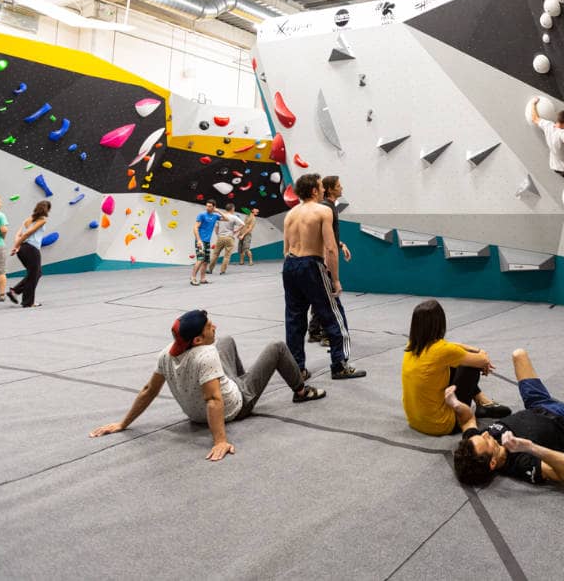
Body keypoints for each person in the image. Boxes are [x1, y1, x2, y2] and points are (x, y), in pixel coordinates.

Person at [89, 309, 325, 461]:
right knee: (277, 347)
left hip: (200, 410)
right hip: (236, 406)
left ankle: (244, 380)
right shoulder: (206, 355)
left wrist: (123, 423)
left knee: (227, 341)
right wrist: (220, 441)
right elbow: (213, 400)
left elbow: (149, 390)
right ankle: (302, 391)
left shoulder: (165, 355)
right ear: (198, 340)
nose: (215, 326)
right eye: (210, 326)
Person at [451, 348, 564, 487]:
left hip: (538, 405)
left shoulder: (473, 444)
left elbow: (467, 420)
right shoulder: (520, 463)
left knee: (519, 354)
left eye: (481, 435)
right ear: (493, 463)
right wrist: (530, 447)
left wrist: (455, 403)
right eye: (487, 441)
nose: (486, 434)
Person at [281, 173, 365, 380]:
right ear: (314, 191)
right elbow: (330, 248)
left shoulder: (290, 214)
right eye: (320, 187)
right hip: (311, 265)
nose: (323, 190)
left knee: (294, 320)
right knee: (334, 314)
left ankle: (297, 369)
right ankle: (340, 364)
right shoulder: (323, 211)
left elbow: (285, 249)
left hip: (290, 265)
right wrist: (335, 279)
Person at [401, 299, 510, 436]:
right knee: (469, 366)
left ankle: (482, 400)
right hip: (442, 424)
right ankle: (481, 403)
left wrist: (475, 350)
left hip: (415, 420)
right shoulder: (443, 350)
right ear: (440, 323)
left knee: (457, 360)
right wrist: (480, 353)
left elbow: (451, 346)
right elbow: (482, 361)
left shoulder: (413, 344)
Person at [309, 176, 352, 344]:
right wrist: (331, 270)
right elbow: (324, 240)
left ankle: (314, 331)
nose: (341, 188)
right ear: (330, 189)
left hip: (321, 258)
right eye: (338, 186)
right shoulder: (327, 208)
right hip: (323, 259)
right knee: (330, 296)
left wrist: (341, 244)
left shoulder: (327, 207)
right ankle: (328, 335)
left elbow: (329, 236)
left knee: (321, 296)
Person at [8, 200, 50, 308]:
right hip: (31, 249)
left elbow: (18, 234)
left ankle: (15, 291)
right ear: (47, 210)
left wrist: (17, 246)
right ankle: (28, 302)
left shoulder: (27, 220)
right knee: (34, 275)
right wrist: (16, 246)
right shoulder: (42, 220)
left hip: (23, 249)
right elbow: (27, 233)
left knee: (36, 273)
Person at [190, 200, 235, 286]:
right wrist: (198, 240)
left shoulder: (215, 216)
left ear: (214, 207)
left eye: (210, 206)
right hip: (200, 241)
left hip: (207, 241)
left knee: (206, 261)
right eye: (207, 206)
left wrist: (218, 211)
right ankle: (193, 278)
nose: (208, 207)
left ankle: (202, 279)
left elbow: (227, 219)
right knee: (200, 259)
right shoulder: (202, 215)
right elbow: (195, 228)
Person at [207, 203, 244, 275]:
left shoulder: (220, 216)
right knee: (227, 256)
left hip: (220, 237)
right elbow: (243, 224)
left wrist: (218, 235)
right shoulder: (234, 217)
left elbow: (216, 227)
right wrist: (237, 230)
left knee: (215, 254)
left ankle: (210, 269)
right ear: (232, 209)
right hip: (229, 237)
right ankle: (222, 271)